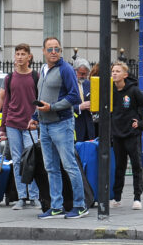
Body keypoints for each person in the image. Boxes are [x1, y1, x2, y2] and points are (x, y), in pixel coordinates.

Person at [33, 36, 87, 219]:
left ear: (61, 51)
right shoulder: (43, 69)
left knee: (70, 166)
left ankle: (80, 206)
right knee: (51, 168)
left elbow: (74, 97)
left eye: (56, 48)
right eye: (50, 49)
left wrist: (52, 108)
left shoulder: (66, 70)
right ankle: (56, 206)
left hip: (62, 124)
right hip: (45, 125)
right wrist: (35, 117)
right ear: (43, 51)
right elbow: (41, 95)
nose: (53, 52)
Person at [0, 43, 40, 210]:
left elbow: (39, 101)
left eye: (23, 54)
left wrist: (38, 121)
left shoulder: (36, 76)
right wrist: (1, 126)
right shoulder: (9, 78)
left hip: (30, 124)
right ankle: (21, 196)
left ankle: (34, 196)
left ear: (29, 57)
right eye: (17, 54)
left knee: (32, 160)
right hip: (13, 123)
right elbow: (6, 102)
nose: (19, 57)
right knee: (17, 161)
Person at [110, 61, 143, 210]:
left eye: (117, 71)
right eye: (113, 71)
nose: (114, 73)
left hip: (131, 135)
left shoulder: (133, 91)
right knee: (119, 167)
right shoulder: (110, 91)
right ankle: (116, 198)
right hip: (117, 134)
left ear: (125, 75)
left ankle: (137, 198)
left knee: (136, 166)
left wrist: (141, 123)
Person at [73, 58, 96, 142]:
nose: (83, 76)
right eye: (81, 73)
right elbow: (64, 104)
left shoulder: (88, 84)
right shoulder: (69, 84)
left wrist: (93, 108)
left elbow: (95, 101)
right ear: (75, 71)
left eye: (86, 74)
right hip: (74, 125)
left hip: (88, 126)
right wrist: (79, 107)